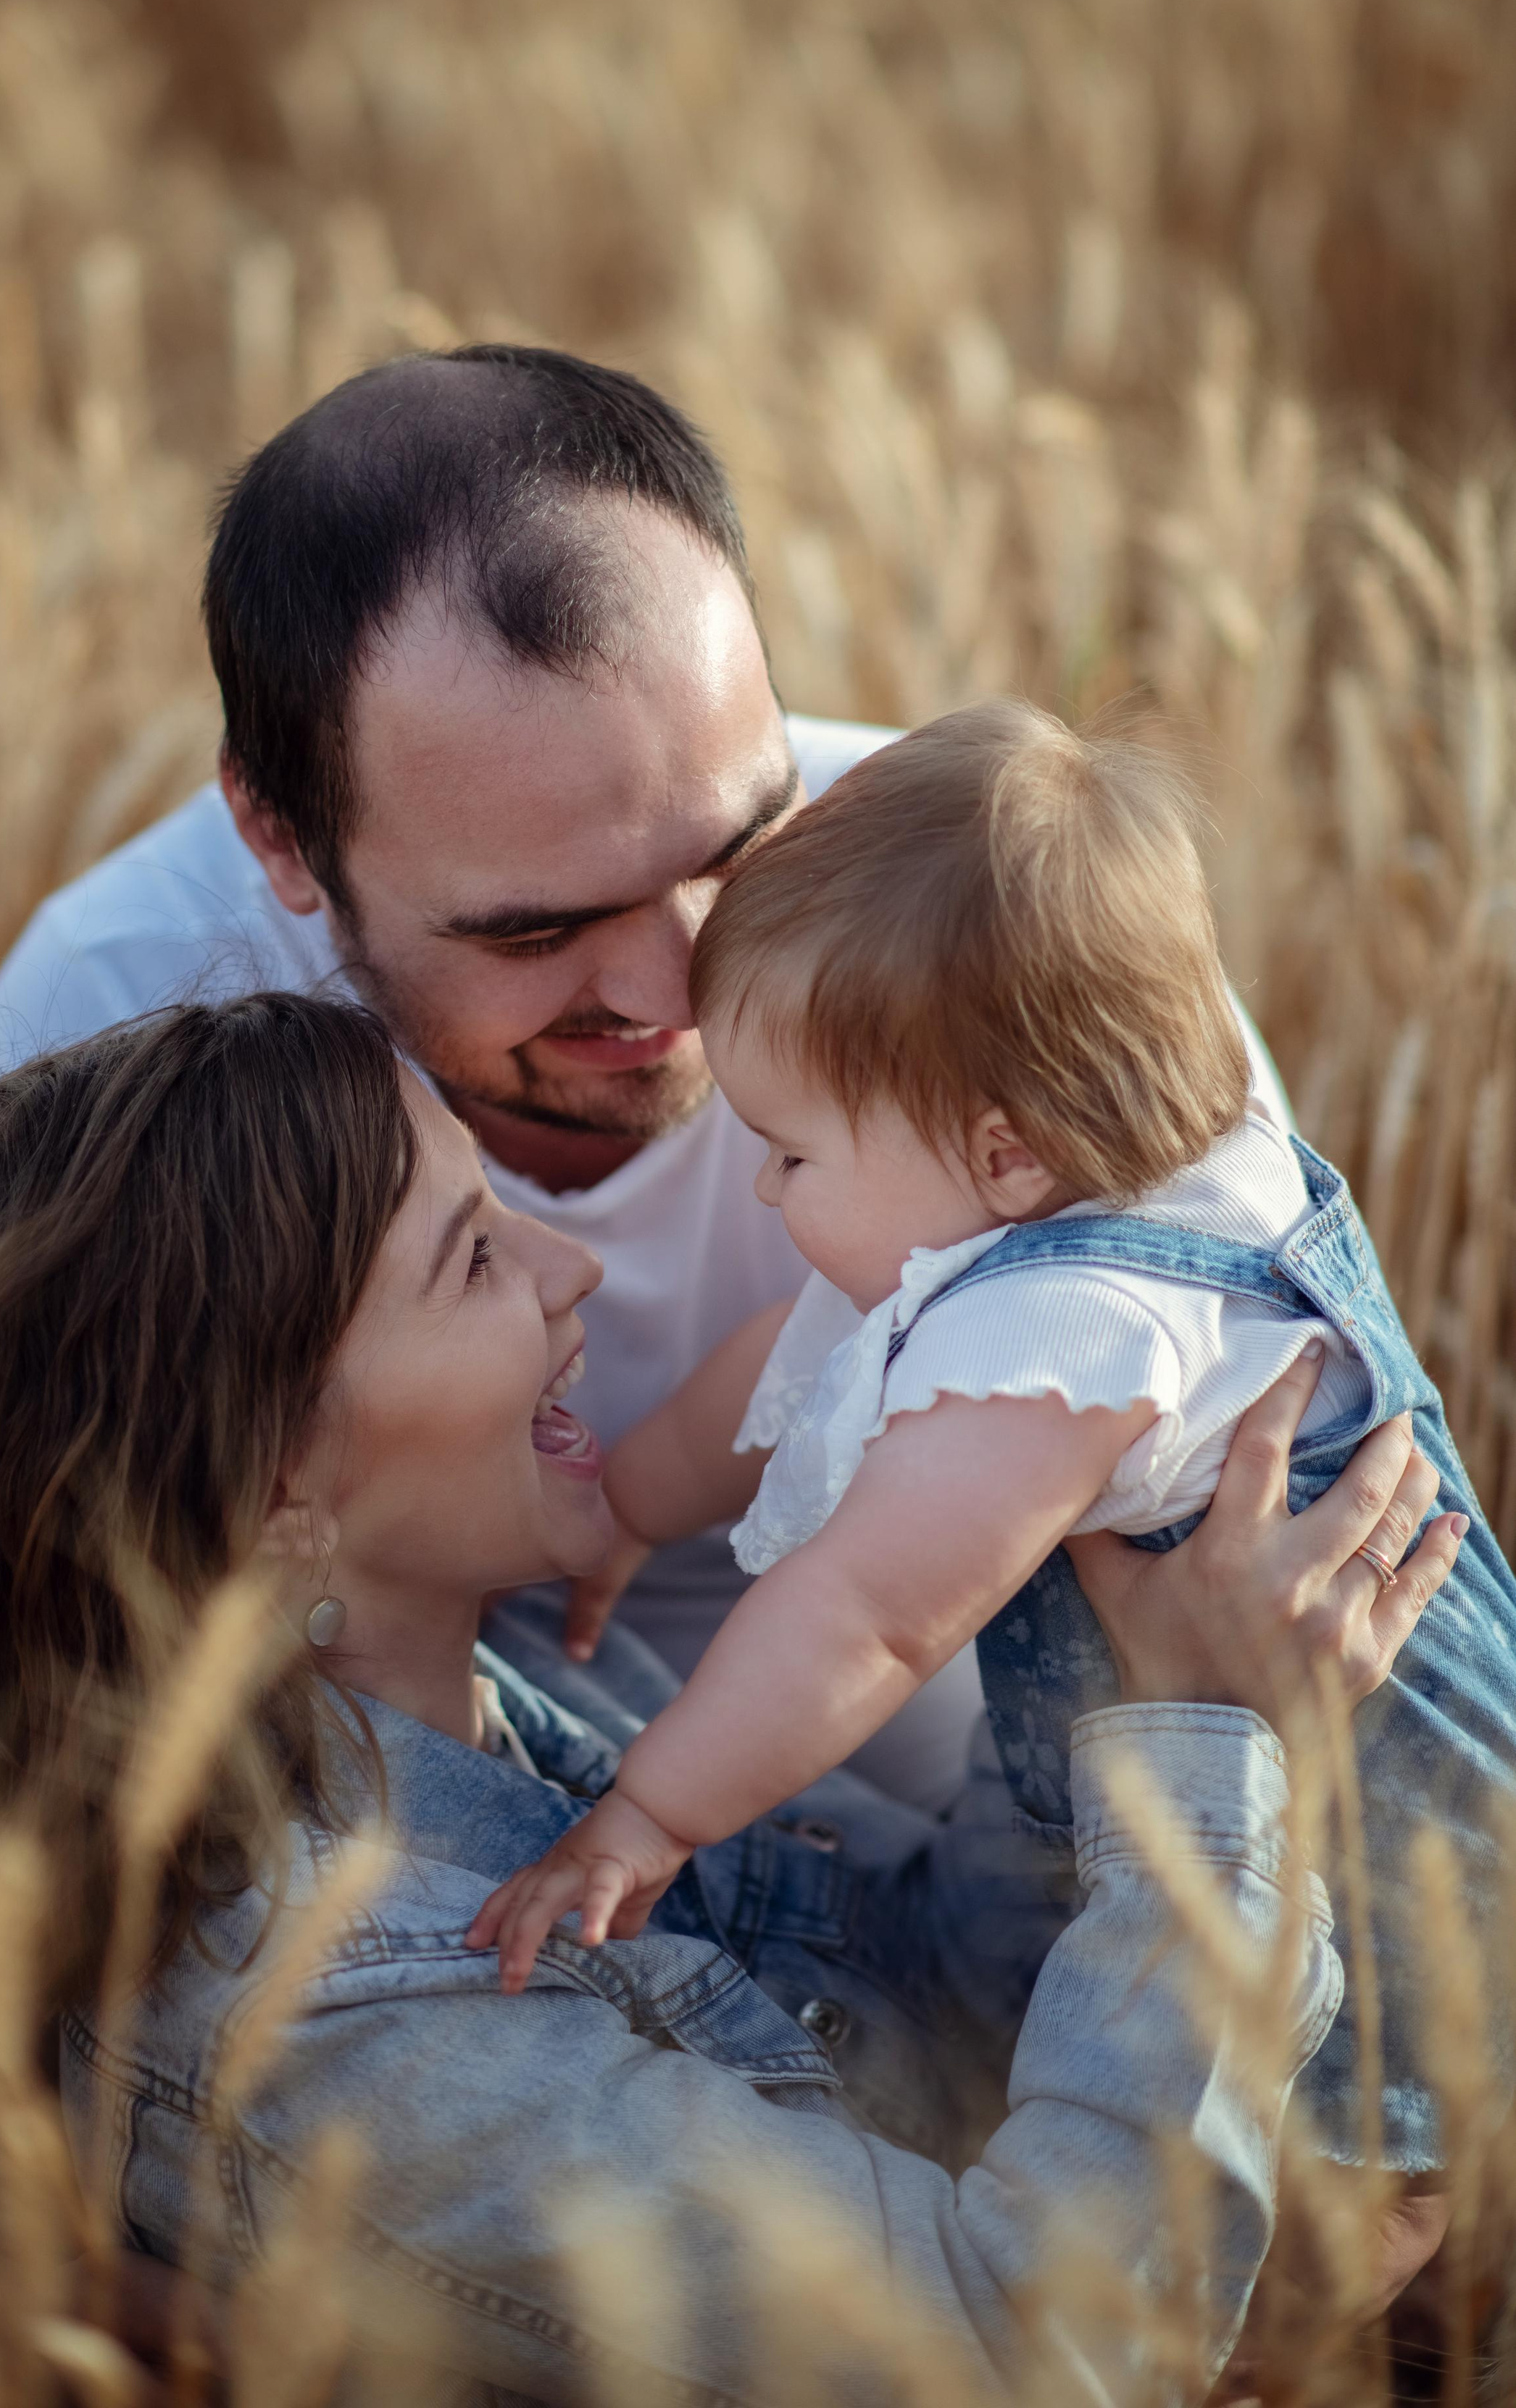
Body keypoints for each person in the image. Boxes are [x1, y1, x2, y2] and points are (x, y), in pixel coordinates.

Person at [0, 991, 1452, 2402]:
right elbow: (1023, 2355)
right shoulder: (343, 2022)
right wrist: (1211, 1763)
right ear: (273, 1494)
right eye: (474, 1257)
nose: (573, 1267)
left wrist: (1103, 1612)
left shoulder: (521, 1696)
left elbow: (935, 1971)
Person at [0, 346, 1289, 1812]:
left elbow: (1257, 1536)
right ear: (278, 835)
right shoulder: (114, 1013)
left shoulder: (1009, 915)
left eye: (739, 849)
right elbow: (17, 1667)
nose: (681, 989)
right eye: (535, 930)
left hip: (1011, 1821)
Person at [470, 702, 1511, 2181]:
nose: (764, 1190)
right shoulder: (1098, 1192)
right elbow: (791, 1368)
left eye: (790, 1151)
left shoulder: (1070, 1335)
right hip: (1102, 1815)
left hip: (1361, 1895)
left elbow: (868, 1617)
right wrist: (632, 1503)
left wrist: (646, 1815)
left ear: (1005, 1149)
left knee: (1336, 2192)